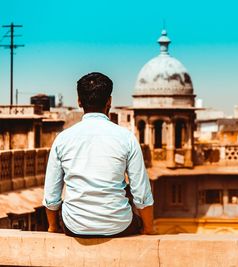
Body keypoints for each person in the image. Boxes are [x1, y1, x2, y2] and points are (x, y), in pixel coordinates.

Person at [42, 72, 154, 237]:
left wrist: (53, 227)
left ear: (79, 101)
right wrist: (148, 229)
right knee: (134, 217)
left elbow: (51, 196)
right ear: (109, 101)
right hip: (117, 226)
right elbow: (141, 193)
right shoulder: (126, 138)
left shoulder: (63, 139)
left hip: (75, 227)